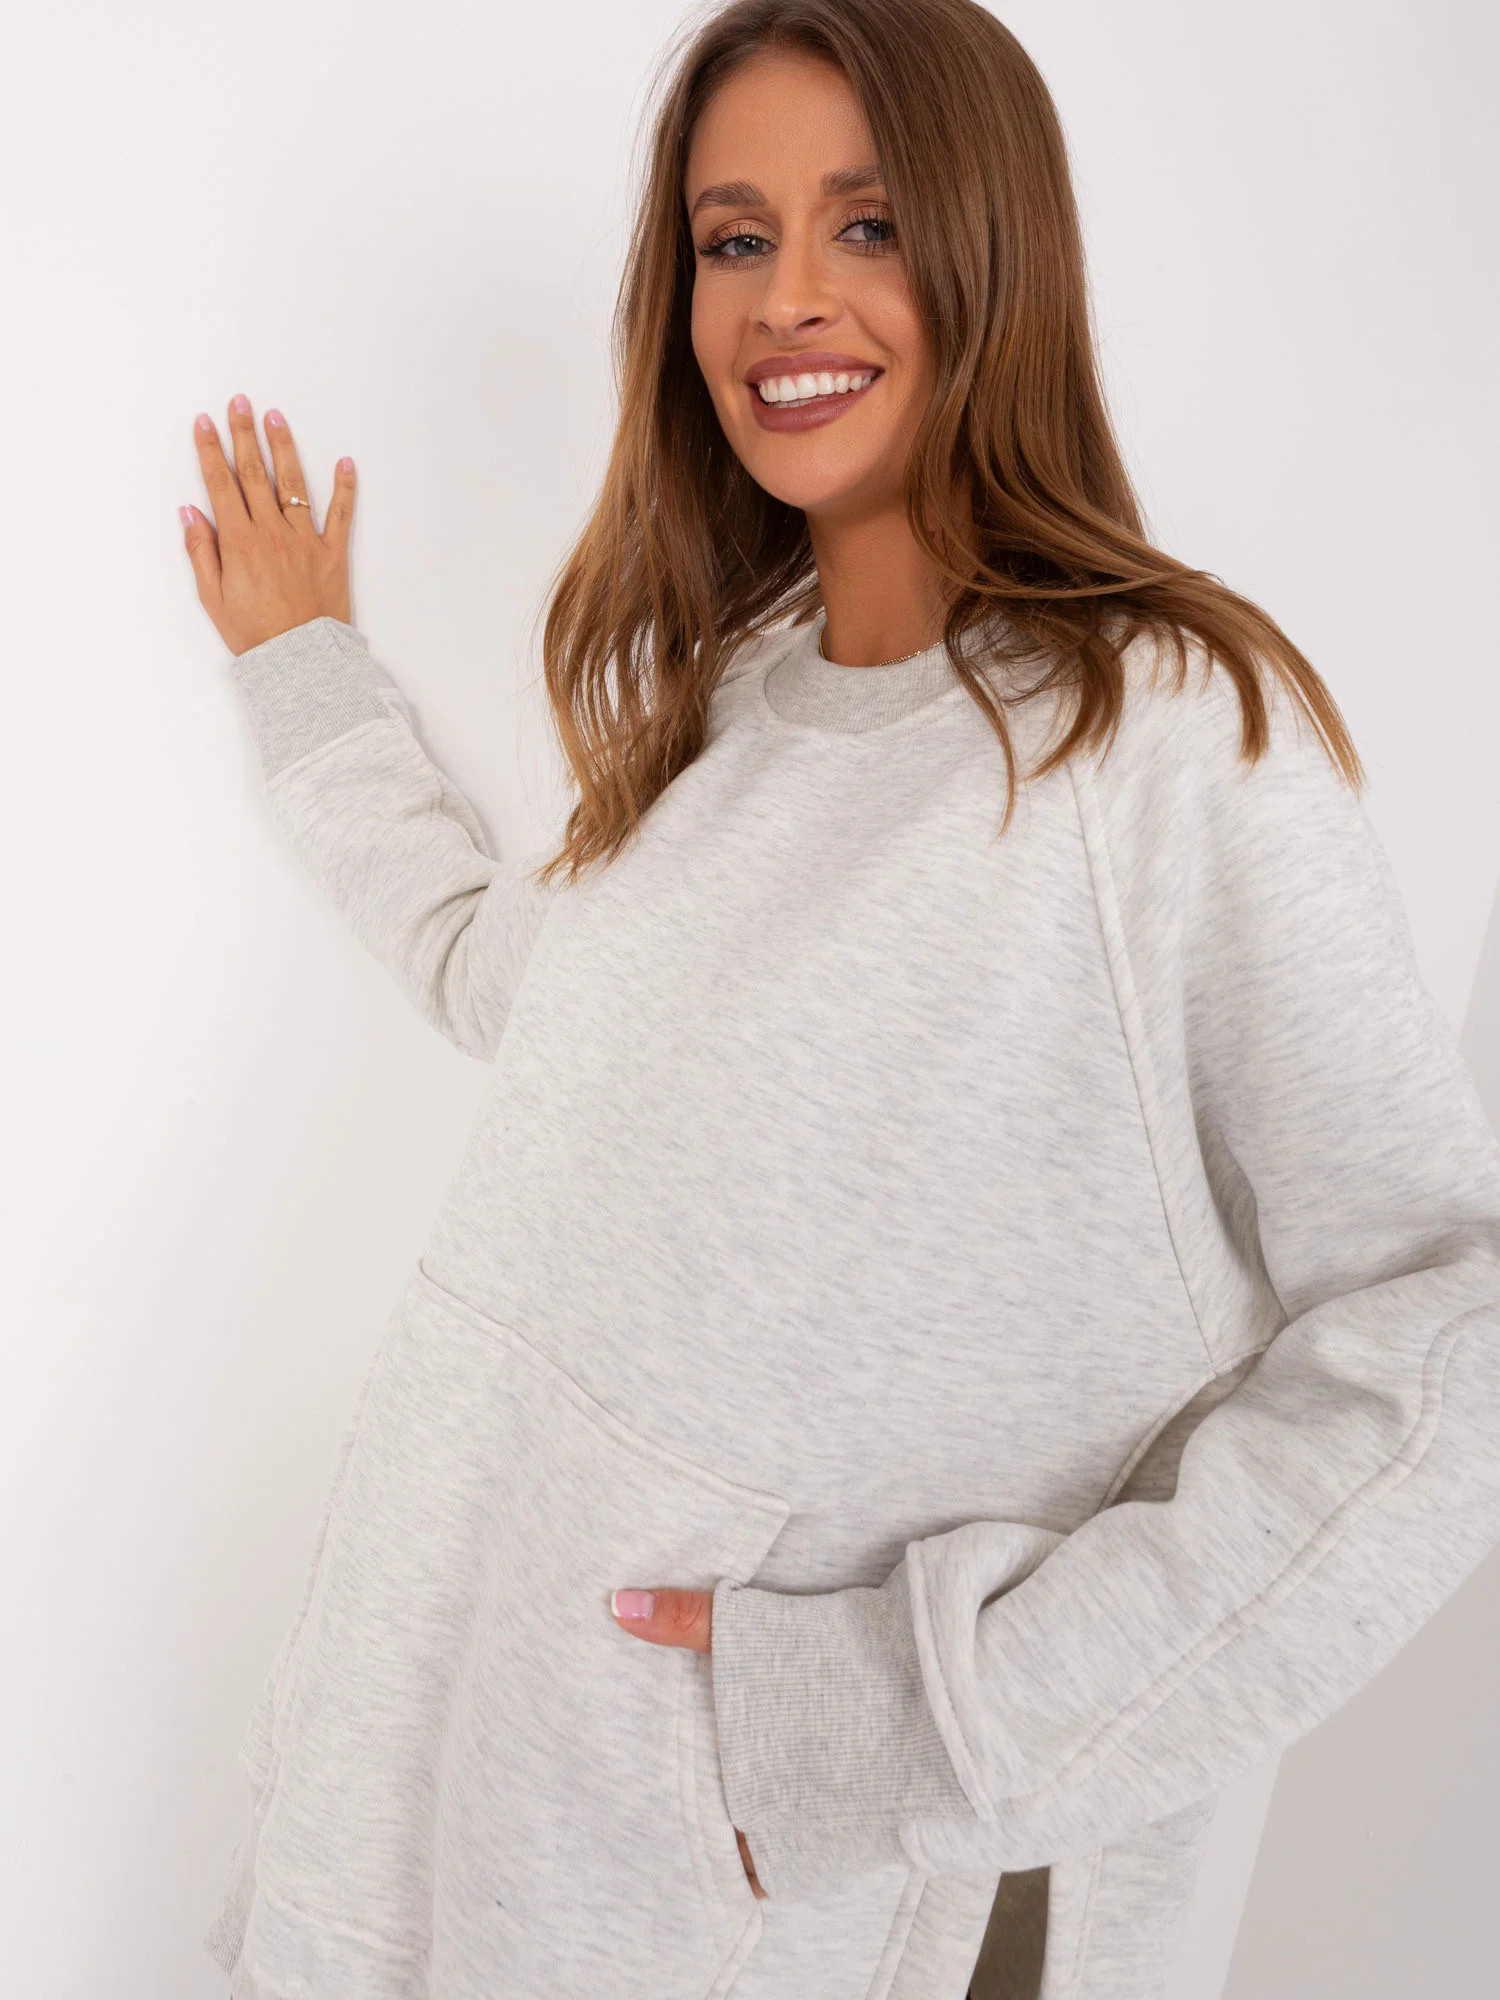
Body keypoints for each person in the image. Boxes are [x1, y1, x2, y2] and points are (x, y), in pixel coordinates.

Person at [182, 3, 1500, 1997]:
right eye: (735, 238)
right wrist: (309, 681)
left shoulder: (1164, 749)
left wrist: (919, 1715)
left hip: (821, 1912)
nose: (786, 297)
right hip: (494, 1816)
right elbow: (509, 981)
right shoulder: (733, 708)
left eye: (865, 225)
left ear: (994, 252)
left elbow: (1447, 1347)